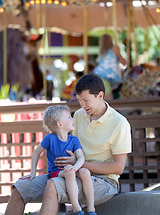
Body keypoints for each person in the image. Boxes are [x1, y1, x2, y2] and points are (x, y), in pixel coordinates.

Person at [5, 73, 131, 215]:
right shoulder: (78, 115)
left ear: (100, 96)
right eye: (79, 101)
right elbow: (70, 147)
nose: (82, 105)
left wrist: (78, 163)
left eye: (86, 100)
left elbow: (118, 168)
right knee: (21, 187)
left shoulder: (119, 123)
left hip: (103, 182)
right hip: (71, 173)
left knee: (54, 185)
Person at [19, 105, 96, 215]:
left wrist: (75, 168)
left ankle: (91, 209)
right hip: (56, 172)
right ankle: (76, 209)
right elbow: (36, 152)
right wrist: (33, 172)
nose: (73, 119)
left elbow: (81, 158)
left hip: (72, 169)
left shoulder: (74, 140)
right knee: (69, 173)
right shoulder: (50, 139)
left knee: (85, 172)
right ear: (59, 124)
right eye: (69, 117)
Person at [93, 33, 126, 100]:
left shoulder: (102, 52)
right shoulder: (114, 49)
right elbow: (124, 63)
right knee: (110, 101)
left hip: (97, 76)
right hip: (104, 78)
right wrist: (118, 54)